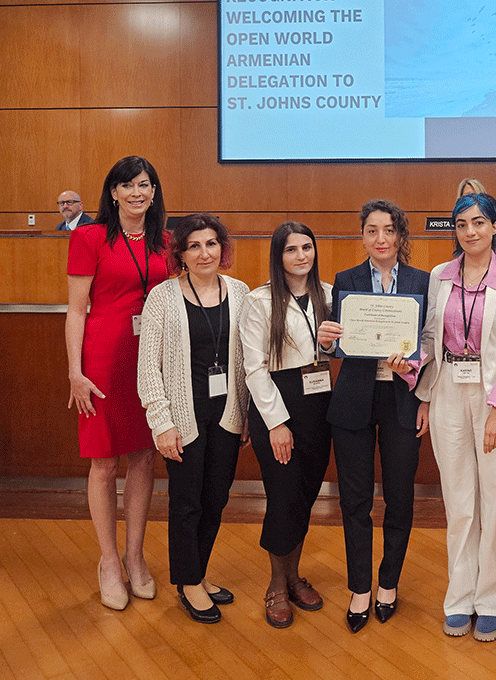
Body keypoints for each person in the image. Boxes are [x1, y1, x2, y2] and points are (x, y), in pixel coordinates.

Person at [416, 192, 496, 642]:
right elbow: (428, 334)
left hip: (491, 398)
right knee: (459, 502)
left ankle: (494, 599)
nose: (470, 232)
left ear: (495, 226)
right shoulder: (440, 275)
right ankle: (460, 597)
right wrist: (411, 362)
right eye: (462, 224)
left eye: (479, 222)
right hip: (446, 394)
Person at [318, 200, 430, 633]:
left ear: (401, 236)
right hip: (354, 401)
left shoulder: (423, 281)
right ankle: (360, 586)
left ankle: (389, 583)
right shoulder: (345, 281)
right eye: (371, 231)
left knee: (400, 498)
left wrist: (419, 377)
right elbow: (333, 345)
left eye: (388, 230)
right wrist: (327, 341)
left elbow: (432, 341)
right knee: (355, 500)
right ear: (362, 236)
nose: (380, 239)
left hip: (402, 397)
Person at [65, 155, 169, 610]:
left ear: (153, 191)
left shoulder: (166, 240)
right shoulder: (89, 237)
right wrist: (76, 372)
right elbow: (75, 310)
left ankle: (134, 555)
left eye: (144, 184)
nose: (136, 193)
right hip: (104, 358)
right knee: (105, 463)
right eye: (127, 185)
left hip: (151, 358)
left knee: (144, 458)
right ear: (112, 192)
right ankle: (108, 560)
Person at [137, 214, 250, 624]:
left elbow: (246, 361)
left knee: (215, 499)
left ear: (223, 249)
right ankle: (188, 583)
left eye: (212, 244)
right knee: (187, 503)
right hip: (182, 417)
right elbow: (148, 367)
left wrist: (249, 415)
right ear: (180, 254)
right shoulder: (163, 297)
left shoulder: (240, 292)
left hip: (228, 413)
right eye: (195, 246)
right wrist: (161, 422)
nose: (205, 253)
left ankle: (197, 574)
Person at [240, 221, 337, 629]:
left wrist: (332, 344)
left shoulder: (331, 294)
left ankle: (295, 577)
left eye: (307, 248)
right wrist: (277, 423)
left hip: (319, 405)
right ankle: (277, 583)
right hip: (277, 407)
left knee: (305, 494)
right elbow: (254, 368)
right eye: (291, 249)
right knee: (282, 496)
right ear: (278, 256)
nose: (301, 256)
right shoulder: (259, 301)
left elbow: (338, 351)